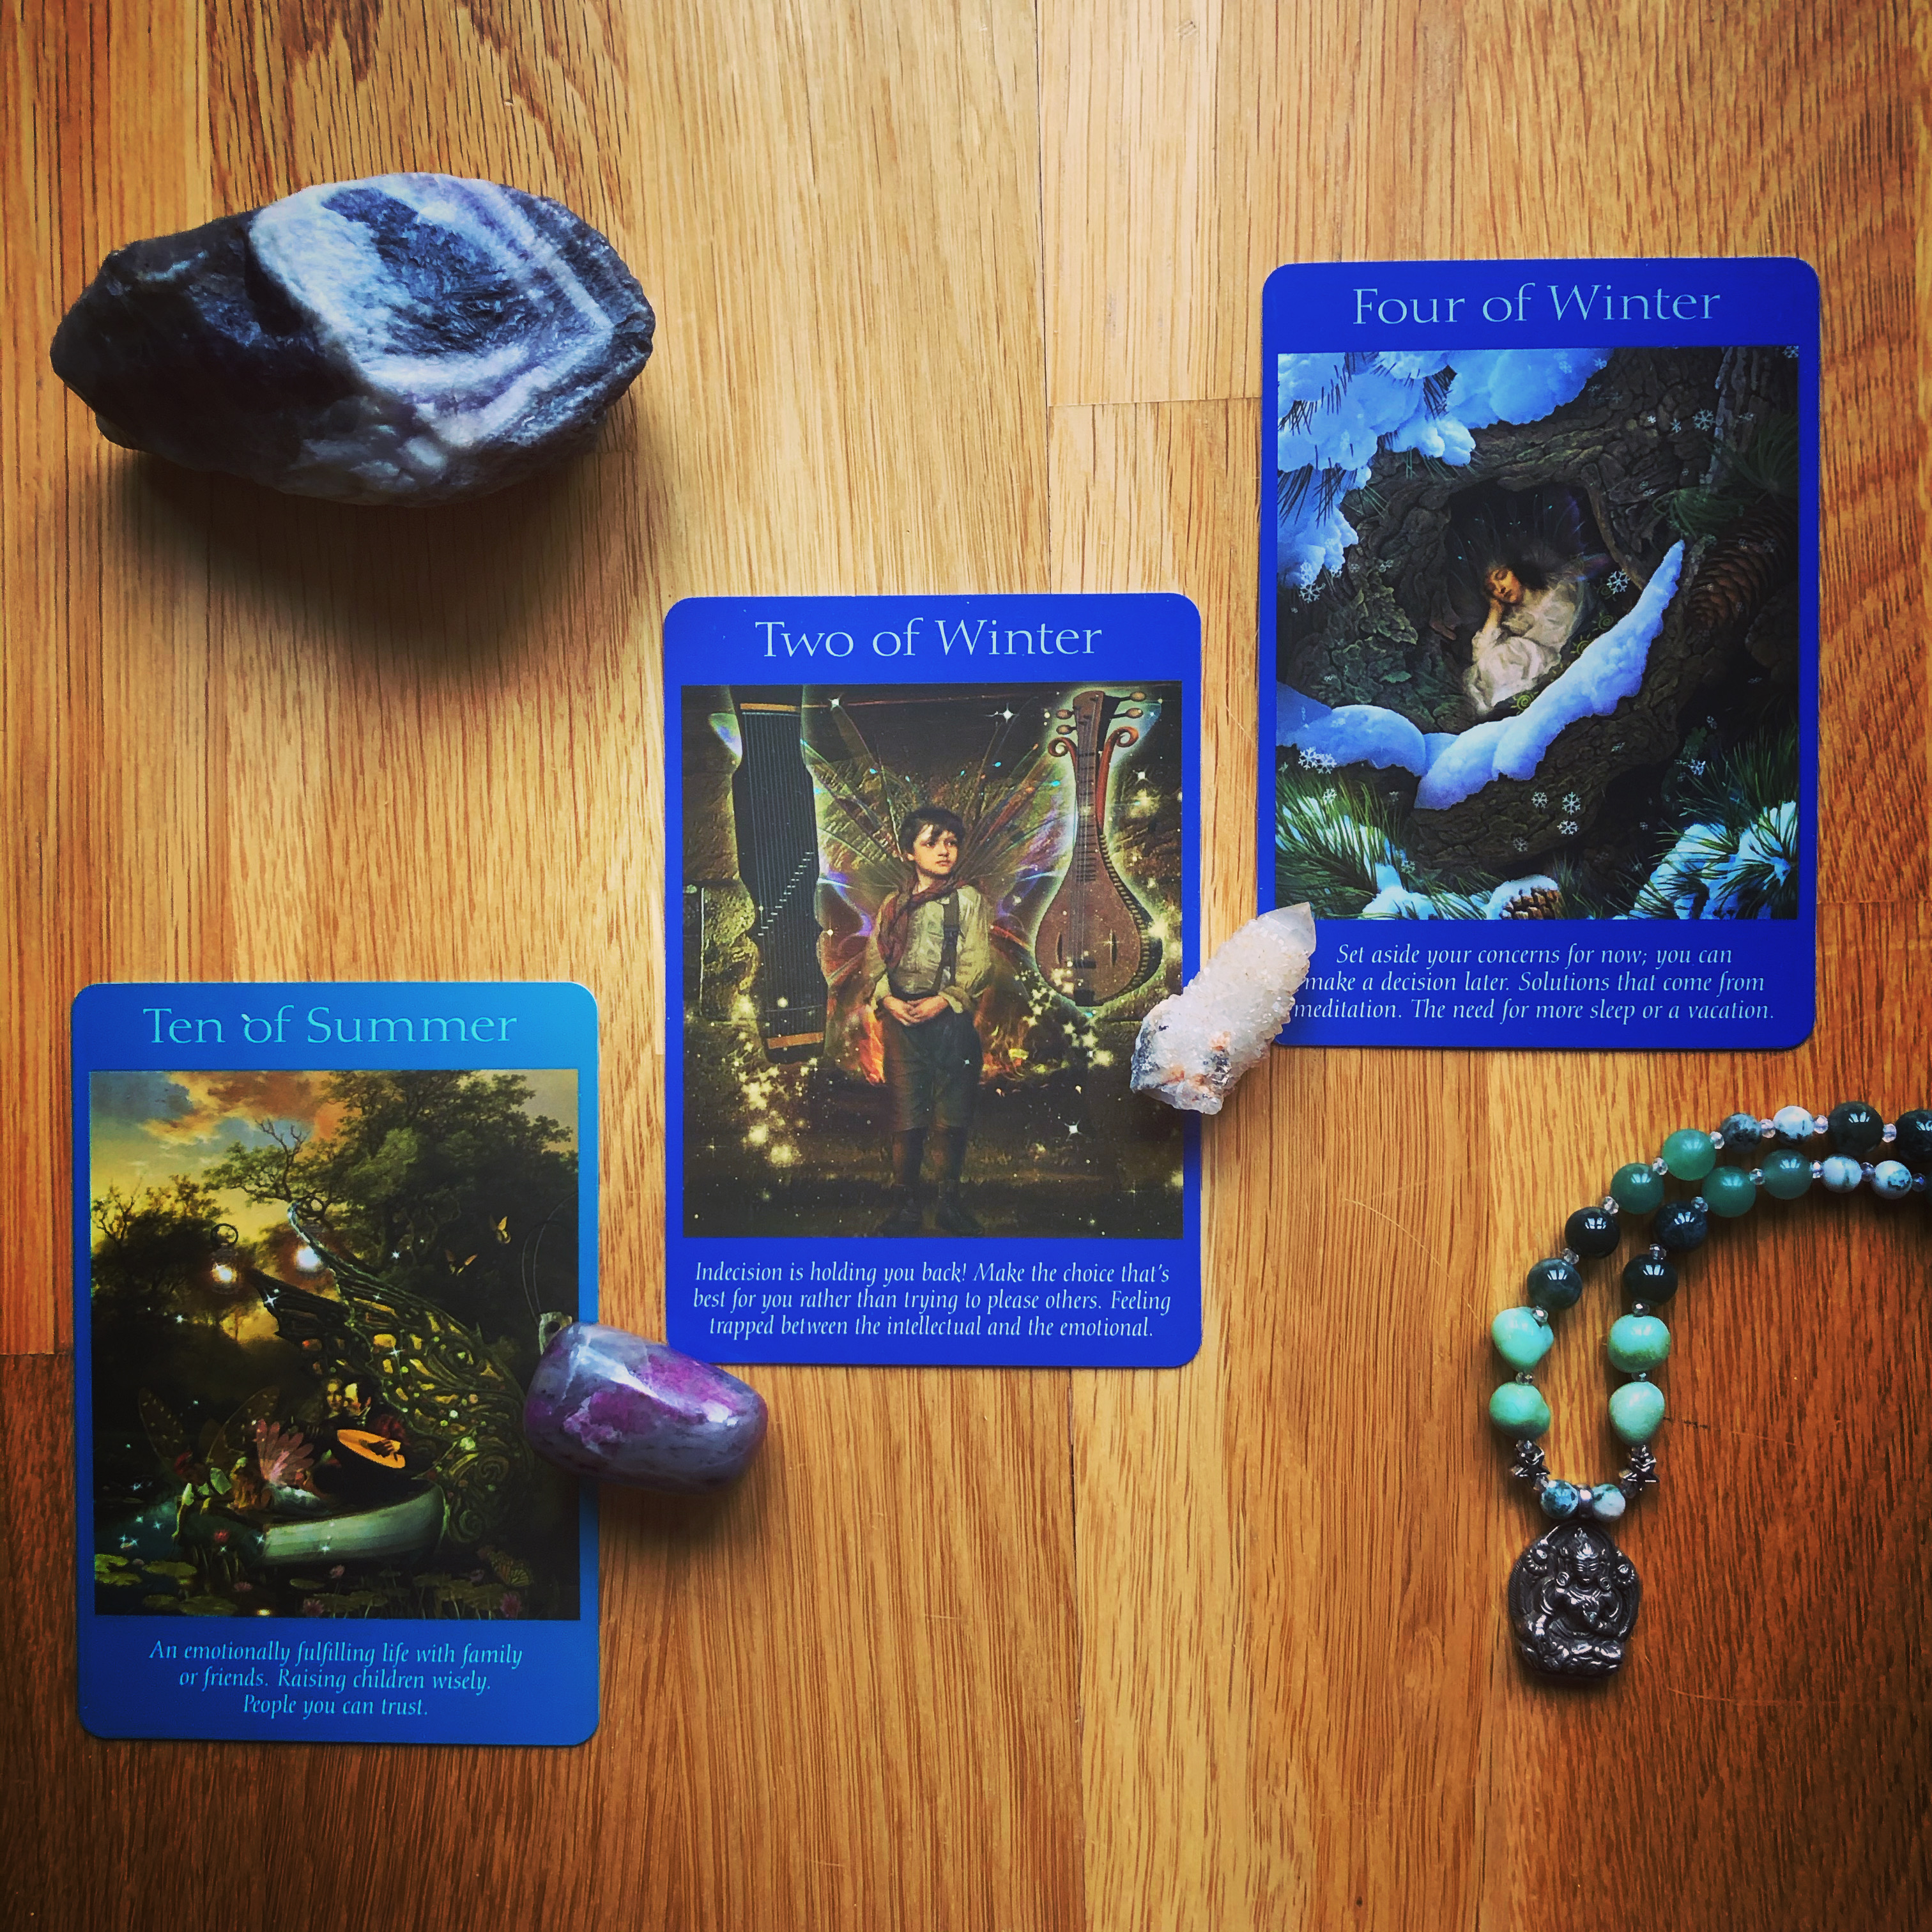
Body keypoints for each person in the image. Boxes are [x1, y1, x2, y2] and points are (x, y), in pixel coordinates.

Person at [861, 805, 992, 1236]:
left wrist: (946, 999)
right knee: (907, 1116)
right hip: (902, 1022)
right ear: (908, 852)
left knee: (952, 1115)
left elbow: (978, 963)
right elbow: (875, 960)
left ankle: (949, 1203)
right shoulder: (894, 906)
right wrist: (888, 1000)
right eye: (931, 842)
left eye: (951, 842)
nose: (943, 851)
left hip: (950, 1021)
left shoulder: (968, 901)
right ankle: (906, 1207)